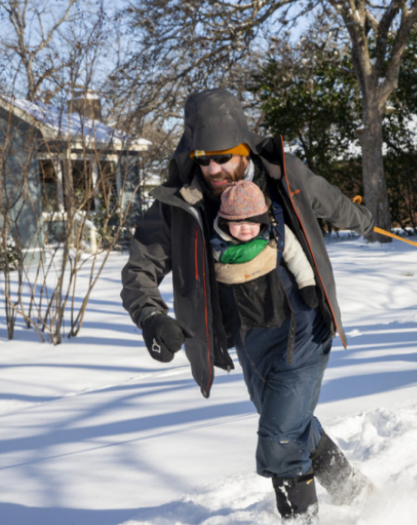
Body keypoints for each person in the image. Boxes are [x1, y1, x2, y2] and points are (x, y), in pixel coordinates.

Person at [120, 88, 375, 523]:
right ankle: (356, 492)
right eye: (204, 159)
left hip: (303, 330)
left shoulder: (281, 175)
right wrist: (151, 317)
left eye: (223, 157)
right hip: (248, 344)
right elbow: (138, 271)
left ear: (242, 147)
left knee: (278, 441)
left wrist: (366, 222)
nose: (214, 169)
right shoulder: (179, 203)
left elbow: (327, 199)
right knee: (294, 429)